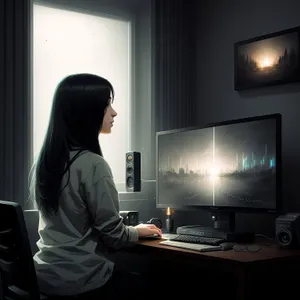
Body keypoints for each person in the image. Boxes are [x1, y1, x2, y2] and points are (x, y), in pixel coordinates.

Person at [29, 73, 162, 299]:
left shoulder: (44, 164)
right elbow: (114, 237)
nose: (114, 112)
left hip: (44, 276)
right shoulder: (93, 165)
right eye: (107, 104)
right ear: (86, 112)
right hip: (80, 280)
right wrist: (137, 231)